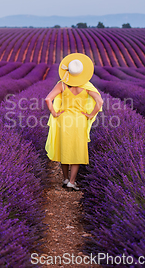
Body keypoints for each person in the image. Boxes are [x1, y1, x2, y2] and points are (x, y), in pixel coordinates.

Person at [44, 53, 103, 191]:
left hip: (64, 120)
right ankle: (72, 181)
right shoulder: (87, 86)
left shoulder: (62, 85)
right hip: (79, 121)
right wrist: (90, 115)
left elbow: (48, 99)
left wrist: (54, 113)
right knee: (76, 151)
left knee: (65, 148)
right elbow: (100, 102)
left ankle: (64, 179)